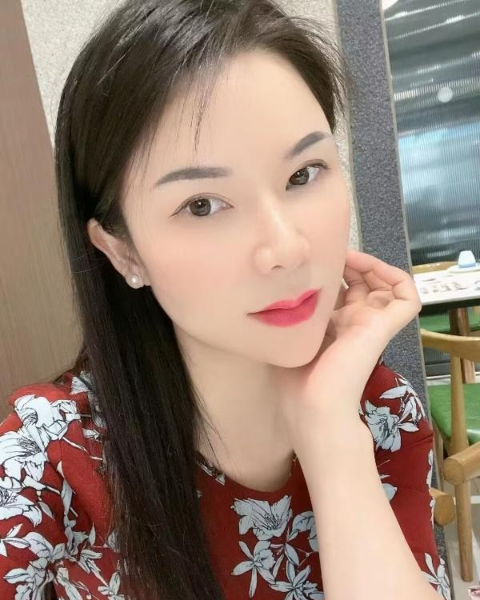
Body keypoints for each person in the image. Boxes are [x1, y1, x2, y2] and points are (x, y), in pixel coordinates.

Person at [0, 0, 451, 599]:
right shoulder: (47, 463)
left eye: (303, 173)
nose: (286, 248)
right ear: (122, 251)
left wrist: (329, 437)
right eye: (202, 205)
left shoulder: (381, 413)